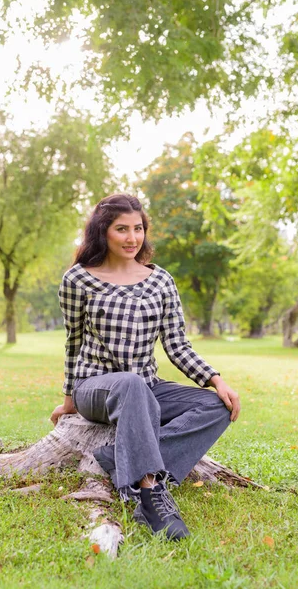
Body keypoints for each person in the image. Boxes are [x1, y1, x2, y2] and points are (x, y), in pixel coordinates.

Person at [51, 194, 240, 541]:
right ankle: (151, 494)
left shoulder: (160, 281)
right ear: (102, 232)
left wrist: (215, 379)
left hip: (146, 387)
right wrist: (68, 400)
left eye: (138, 229)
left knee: (216, 406)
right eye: (121, 229)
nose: (131, 238)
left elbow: (177, 345)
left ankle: (119, 456)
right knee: (130, 384)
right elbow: (73, 342)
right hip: (96, 388)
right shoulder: (78, 279)